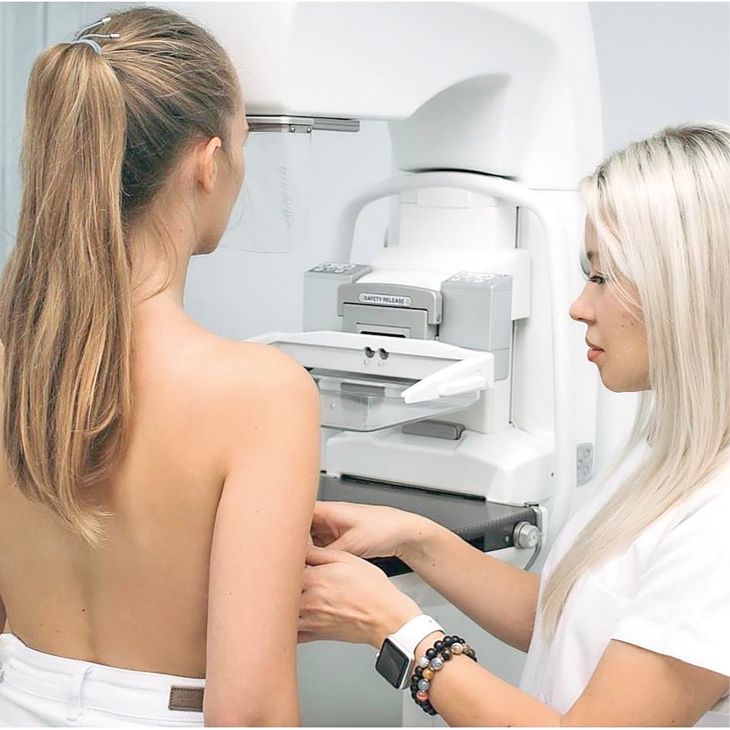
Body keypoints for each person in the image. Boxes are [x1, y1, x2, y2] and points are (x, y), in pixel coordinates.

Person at [299, 122, 730, 726]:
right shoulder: (669, 453)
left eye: (603, 276)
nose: (579, 306)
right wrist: (415, 537)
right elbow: (564, 621)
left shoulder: (719, 521)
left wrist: (395, 629)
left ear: (690, 289)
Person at [0, 7, 320, 726]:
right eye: (243, 143)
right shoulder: (262, 395)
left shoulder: (12, 361)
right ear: (208, 163)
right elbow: (249, 715)